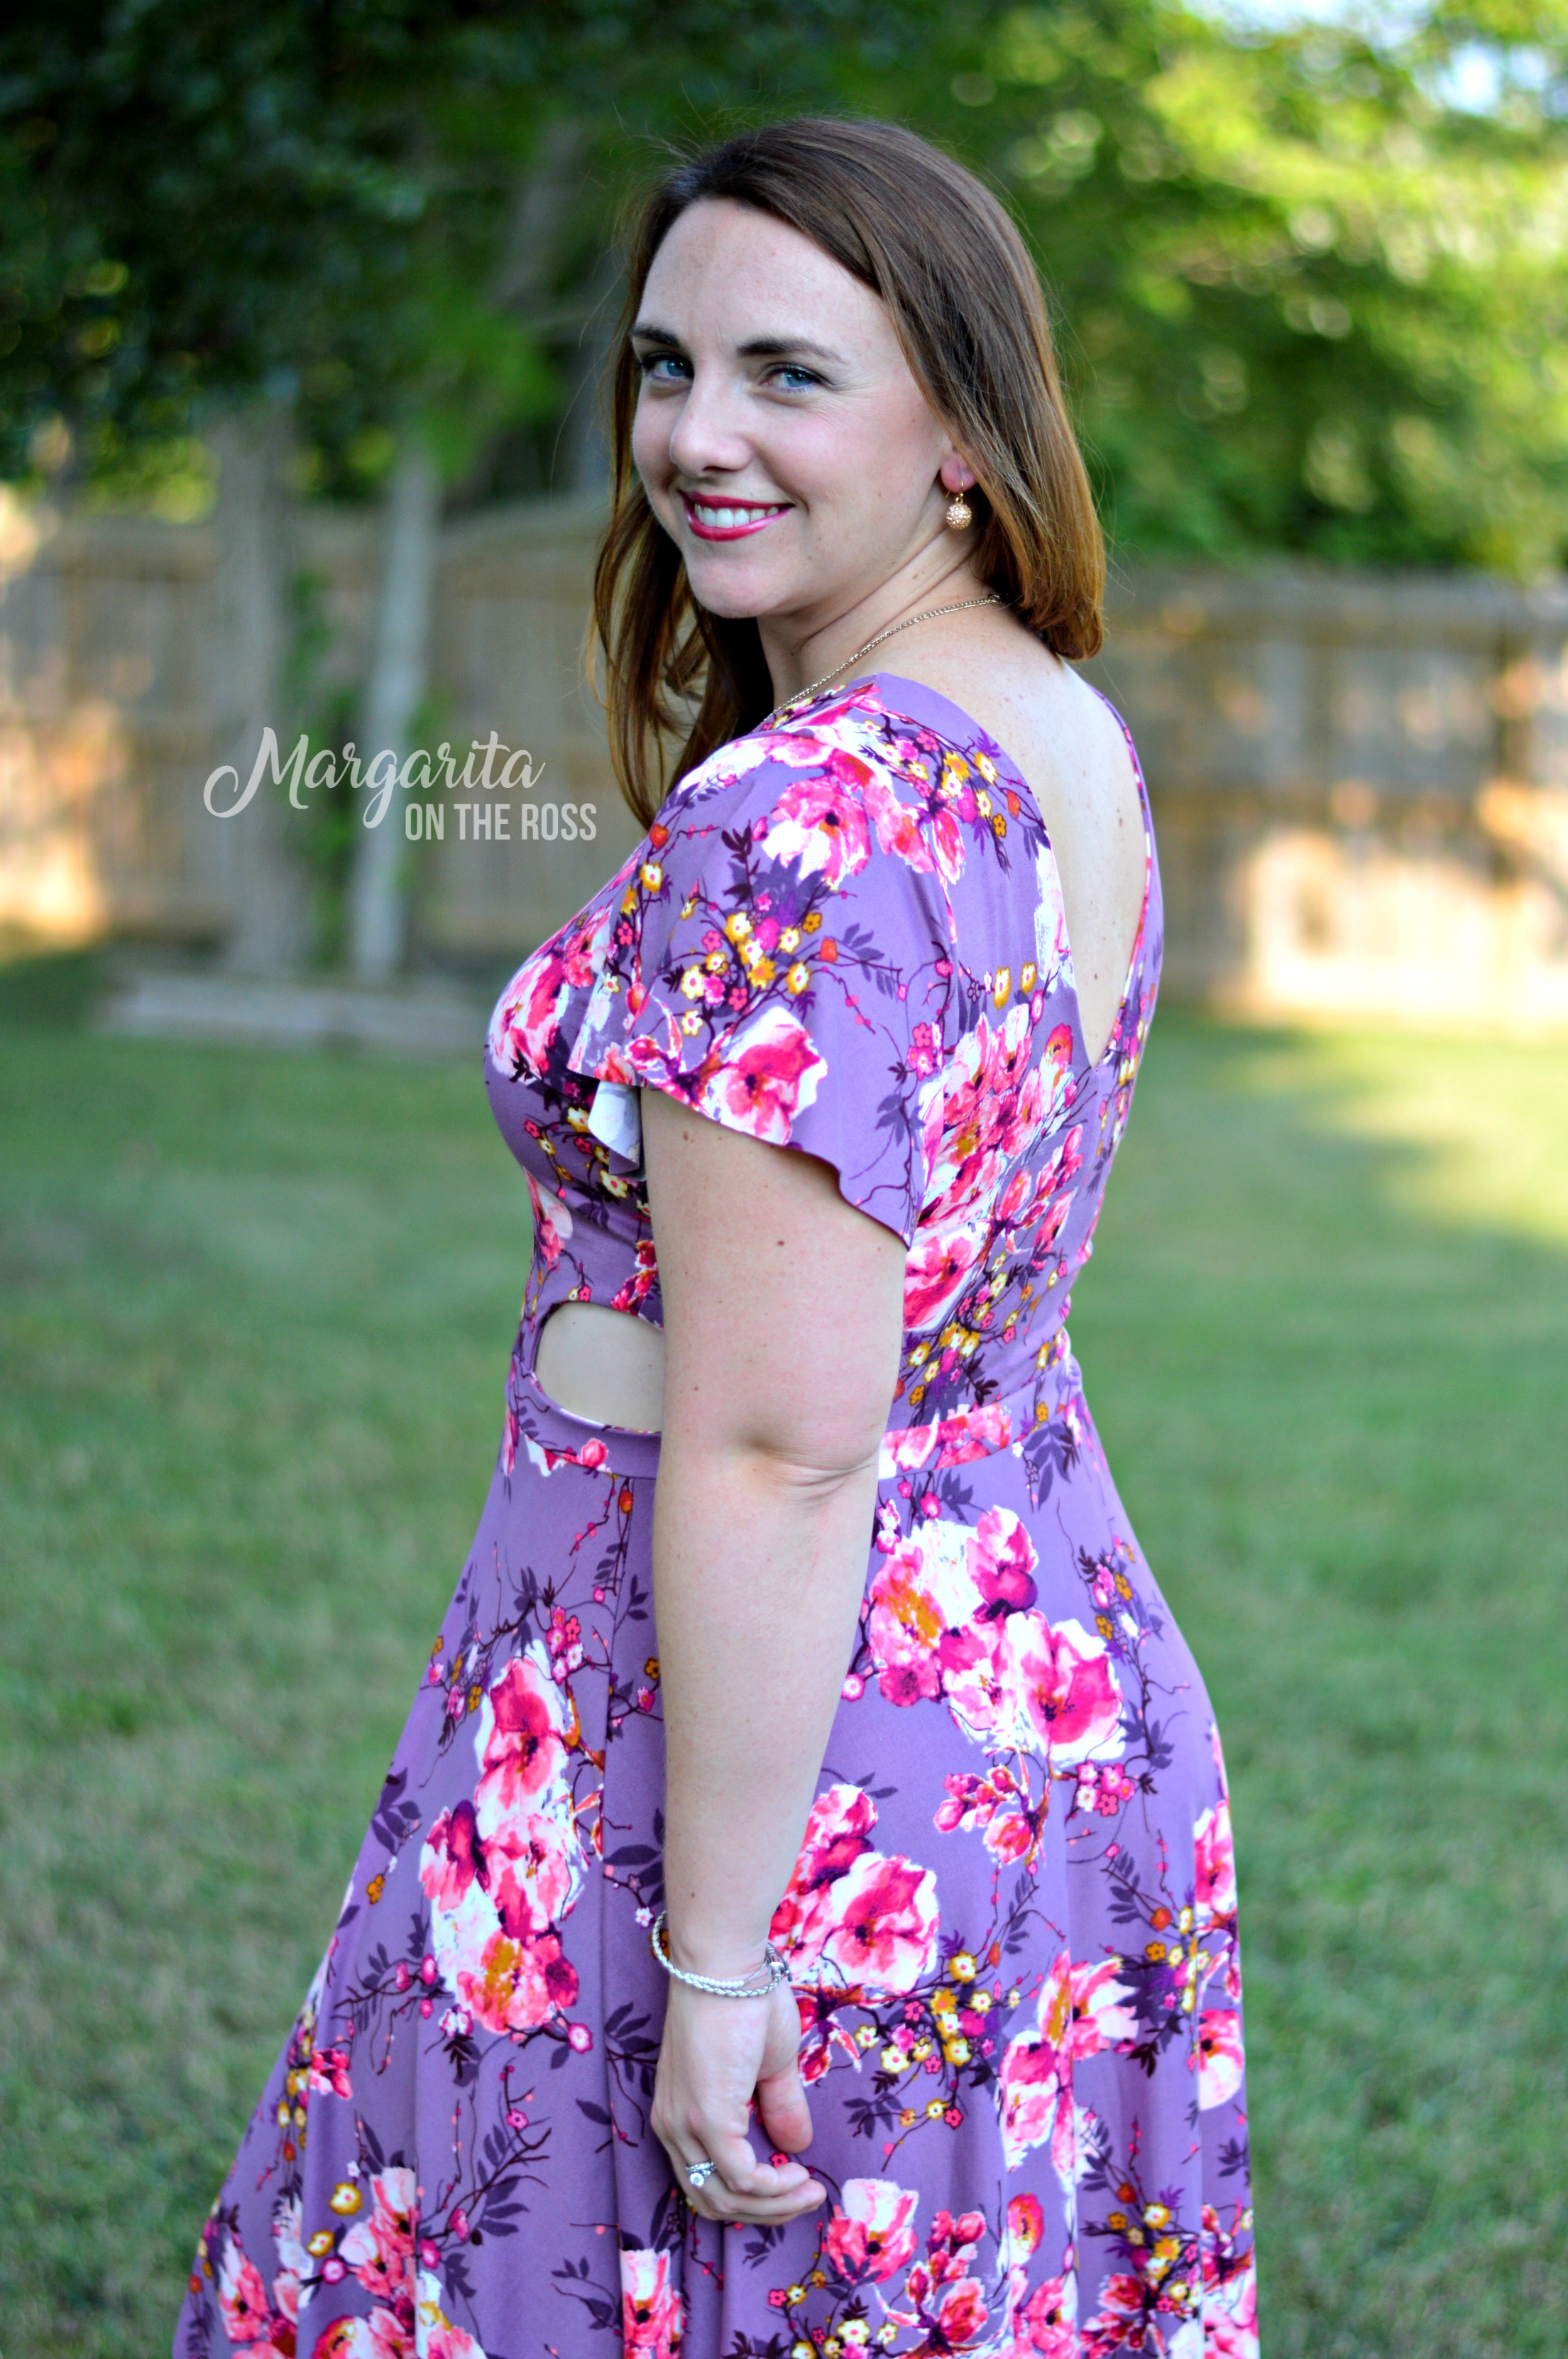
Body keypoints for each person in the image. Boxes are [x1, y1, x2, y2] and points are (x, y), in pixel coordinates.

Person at [175, 117, 1257, 2359]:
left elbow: (777, 1442)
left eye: (786, 374)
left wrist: (718, 1956)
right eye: (666, 366)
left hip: (752, 1756)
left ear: (959, 430)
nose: (691, 435)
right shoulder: (1054, 731)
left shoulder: (805, 816)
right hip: (1024, 1692)